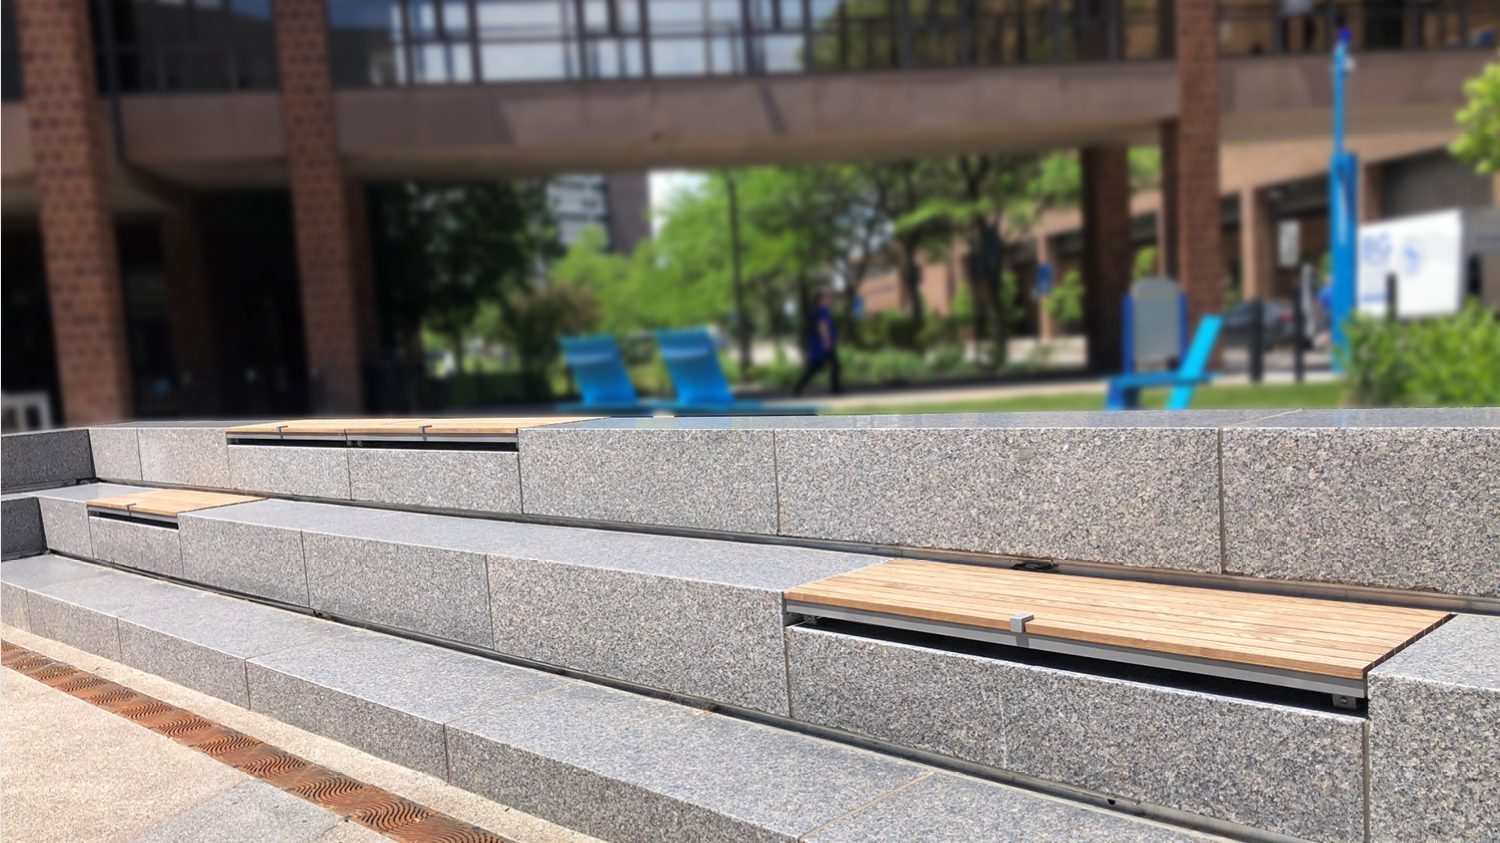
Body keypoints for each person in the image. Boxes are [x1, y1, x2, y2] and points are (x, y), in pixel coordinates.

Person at [794, 291, 841, 395]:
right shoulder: (822, 311)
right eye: (826, 298)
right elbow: (822, 325)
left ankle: (798, 388)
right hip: (823, 345)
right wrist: (827, 340)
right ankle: (836, 390)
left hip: (820, 344)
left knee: (817, 367)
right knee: (834, 365)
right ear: (820, 300)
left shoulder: (817, 311)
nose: (828, 300)